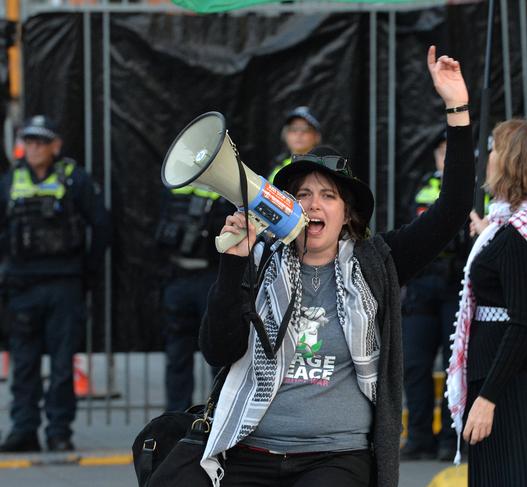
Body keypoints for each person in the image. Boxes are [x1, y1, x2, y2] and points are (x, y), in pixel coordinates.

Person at [198, 45, 474, 487]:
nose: (313, 205)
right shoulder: (260, 258)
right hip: (252, 450)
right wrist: (232, 265)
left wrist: (456, 107)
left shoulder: (376, 262)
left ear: (348, 214)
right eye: (303, 194)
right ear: (285, 205)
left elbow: (454, 207)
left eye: (329, 195)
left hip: (336, 456)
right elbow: (217, 350)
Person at [447, 119, 527, 486]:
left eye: (494, 149)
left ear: (512, 161)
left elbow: (523, 323)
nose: (488, 157)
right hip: (504, 382)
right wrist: (490, 235)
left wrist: (487, 398)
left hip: (512, 389)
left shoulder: (520, 233)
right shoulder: (518, 225)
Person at [0, 115, 109, 453]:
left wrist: (85, 272)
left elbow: (102, 226)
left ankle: (59, 431)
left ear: (55, 146)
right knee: (24, 363)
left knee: (63, 365)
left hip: (65, 284)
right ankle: (24, 430)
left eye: (40, 142)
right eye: (29, 142)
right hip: (22, 287)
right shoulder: (10, 180)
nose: (34, 148)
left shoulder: (74, 179)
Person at [401, 130, 468, 462]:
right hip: (422, 284)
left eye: (450, 152)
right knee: (414, 364)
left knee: (455, 366)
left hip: (457, 283)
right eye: (441, 152)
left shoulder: (476, 187)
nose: (446, 158)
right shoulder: (422, 185)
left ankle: (451, 437)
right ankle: (418, 435)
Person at [155, 186, 234, 412]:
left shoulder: (225, 188)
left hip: (211, 276)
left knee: (218, 355)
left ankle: (218, 415)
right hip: (178, 276)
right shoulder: (175, 185)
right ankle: (176, 418)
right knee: (176, 355)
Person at [268, 106, 321, 183]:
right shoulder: (279, 166)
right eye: (293, 129)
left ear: (316, 136)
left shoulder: (324, 167)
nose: (299, 133)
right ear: (285, 135)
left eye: (305, 129)